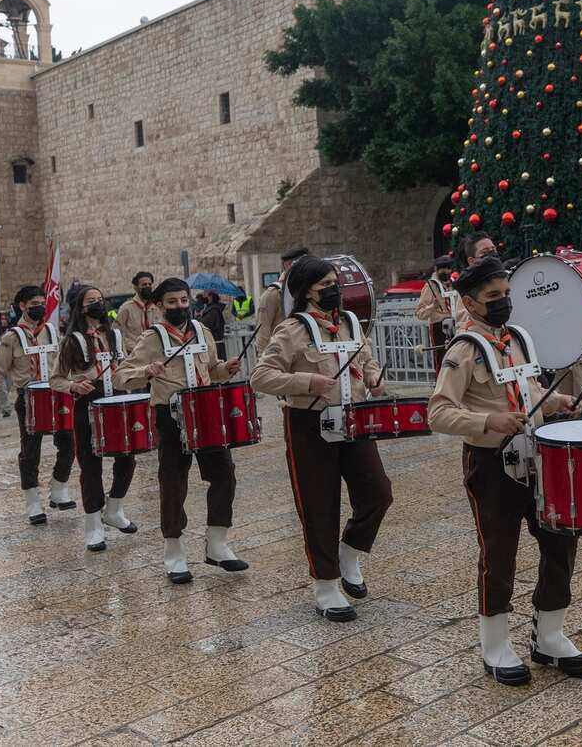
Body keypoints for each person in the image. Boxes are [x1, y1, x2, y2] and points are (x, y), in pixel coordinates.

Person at [428, 257, 582, 687]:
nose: (503, 303)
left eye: (506, 294)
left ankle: (550, 635)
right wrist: (487, 422)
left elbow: (529, 389)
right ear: (470, 302)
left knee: (561, 540)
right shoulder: (462, 350)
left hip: (538, 458)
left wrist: (555, 403)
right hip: (491, 463)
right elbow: (438, 412)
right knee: (499, 553)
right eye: (492, 297)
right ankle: (495, 644)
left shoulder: (517, 339)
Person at [251, 256, 393, 621]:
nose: (334, 290)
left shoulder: (348, 322)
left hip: (354, 418)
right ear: (305, 292)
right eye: (324, 285)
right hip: (309, 424)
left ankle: (349, 551)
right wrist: (306, 382)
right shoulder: (292, 329)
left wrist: (374, 380)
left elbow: (367, 359)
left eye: (335, 283)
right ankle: (326, 586)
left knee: (378, 491)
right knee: (319, 505)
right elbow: (261, 377)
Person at [114, 277, 245, 583]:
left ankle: (217, 543)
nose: (180, 307)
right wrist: (146, 370)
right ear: (160, 306)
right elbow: (122, 376)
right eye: (172, 302)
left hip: (205, 410)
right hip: (170, 415)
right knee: (173, 483)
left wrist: (227, 369)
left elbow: (212, 369)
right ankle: (174, 551)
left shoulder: (202, 331)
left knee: (224, 474)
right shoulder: (152, 338)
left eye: (184, 300)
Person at [50, 285, 139, 552]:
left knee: (127, 458)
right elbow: (56, 379)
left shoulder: (114, 335)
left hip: (117, 401)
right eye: (92, 301)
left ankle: (114, 509)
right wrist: (74, 386)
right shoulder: (73, 341)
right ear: (81, 307)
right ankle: (93, 526)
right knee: (90, 465)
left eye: (100, 299)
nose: (98, 304)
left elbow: (124, 368)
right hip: (87, 406)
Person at [0, 286, 77, 526]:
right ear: (22, 306)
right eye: (33, 303)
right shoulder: (12, 337)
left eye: (41, 301)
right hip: (29, 398)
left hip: (56, 394)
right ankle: (33, 502)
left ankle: (59, 488)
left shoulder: (51, 331)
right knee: (30, 451)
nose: (39, 306)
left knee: (69, 442)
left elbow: (62, 361)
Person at [255, 247, 309, 356]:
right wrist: (263, 361)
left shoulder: (308, 290)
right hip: (282, 355)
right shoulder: (273, 294)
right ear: (289, 265)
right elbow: (263, 332)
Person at [415, 255, 458, 373]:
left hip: (457, 324)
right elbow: (420, 313)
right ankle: (440, 385)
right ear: (437, 270)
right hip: (439, 326)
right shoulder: (430, 286)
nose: (446, 271)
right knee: (442, 358)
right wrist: (432, 306)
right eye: (443, 269)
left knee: (458, 357)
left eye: (448, 268)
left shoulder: (454, 283)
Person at [116, 271, 161, 349]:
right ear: (136, 287)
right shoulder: (127, 308)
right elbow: (116, 332)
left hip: (154, 351)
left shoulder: (156, 307)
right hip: (134, 352)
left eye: (149, 284)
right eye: (144, 285)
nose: (147, 286)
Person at [197, 291, 227, 356]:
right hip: (213, 343)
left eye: (205, 294)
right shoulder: (210, 309)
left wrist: (200, 317)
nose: (203, 296)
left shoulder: (213, 310)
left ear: (210, 297)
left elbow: (203, 324)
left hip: (215, 344)